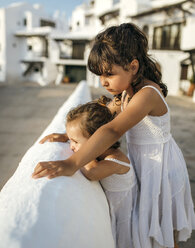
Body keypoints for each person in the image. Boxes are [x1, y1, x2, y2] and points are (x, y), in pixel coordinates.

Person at [32, 23, 195, 248]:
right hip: (145, 164)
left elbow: (112, 129)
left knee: (162, 228)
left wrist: (72, 162)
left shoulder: (147, 94)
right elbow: (98, 121)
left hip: (161, 167)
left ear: (133, 66)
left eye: (109, 74)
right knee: (152, 228)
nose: (104, 81)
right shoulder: (125, 95)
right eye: (100, 75)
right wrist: (69, 136)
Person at [33, 97, 138, 248]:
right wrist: (69, 137)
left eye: (75, 141)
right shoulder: (102, 153)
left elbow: (92, 172)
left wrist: (84, 154)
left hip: (126, 218)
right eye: (70, 141)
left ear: (96, 140)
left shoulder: (117, 160)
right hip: (114, 213)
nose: (71, 147)